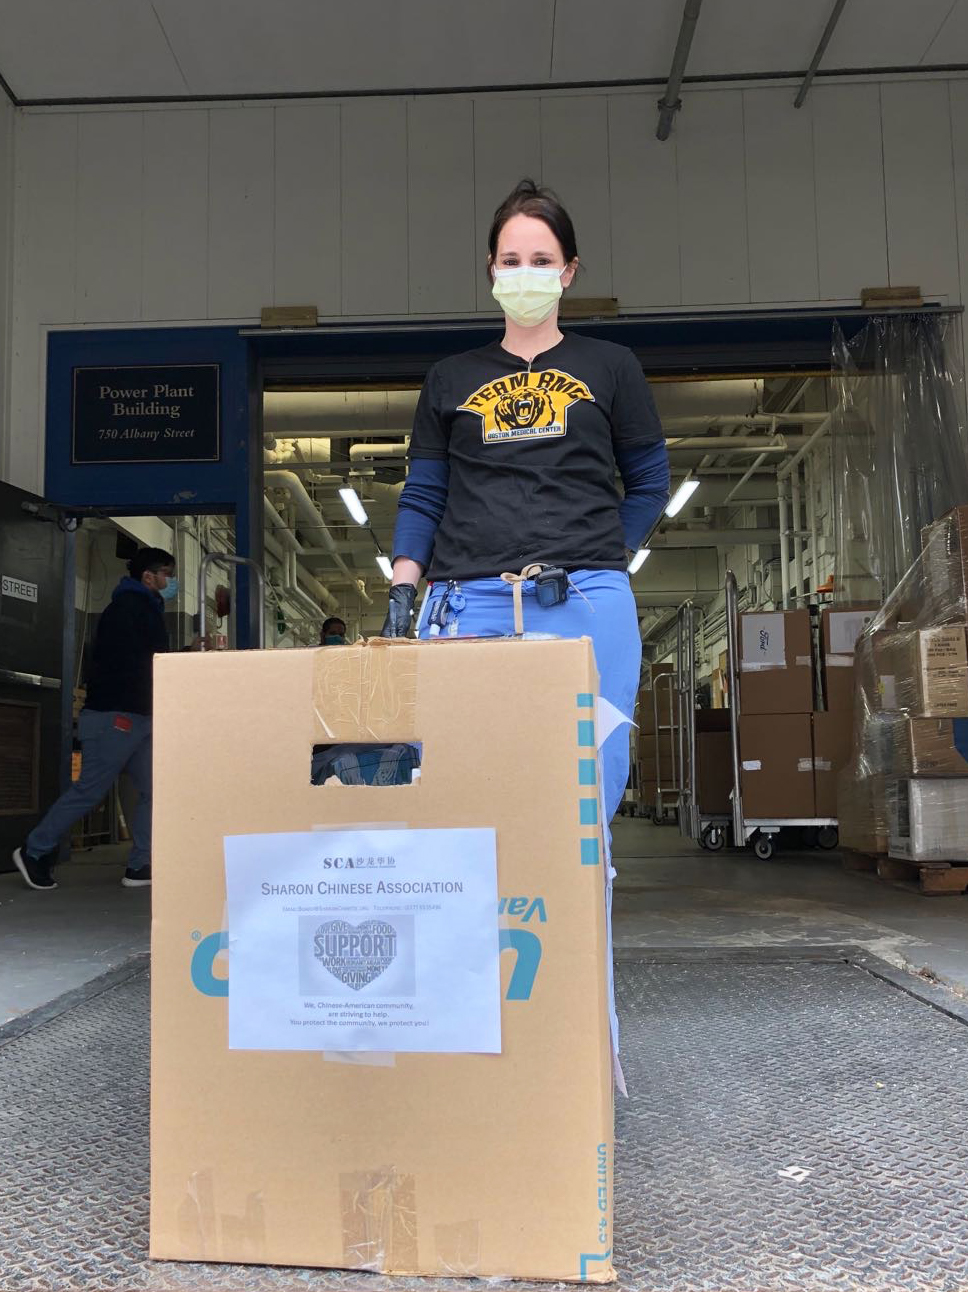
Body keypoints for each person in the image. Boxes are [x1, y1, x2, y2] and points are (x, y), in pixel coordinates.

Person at [382, 179, 670, 823]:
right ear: (491, 271)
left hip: (586, 601)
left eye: (541, 262)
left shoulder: (613, 366)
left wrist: (602, 550)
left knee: (587, 783)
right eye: (511, 261)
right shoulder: (450, 378)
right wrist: (404, 589)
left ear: (568, 272)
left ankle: (575, 914)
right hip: (469, 602)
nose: (525, 274)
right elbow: (425, 493)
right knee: (460, 779)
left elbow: (651, 482)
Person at [13, 546, 180, 891]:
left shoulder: (146, 607)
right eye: (166, 573)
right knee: (91, 790)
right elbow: (135, 663)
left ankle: (141, 865)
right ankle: (34, 850)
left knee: (158, 791)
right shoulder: (128, 608)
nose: (171, 580)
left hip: (139, 715)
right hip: (115, 715)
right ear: (148, 576)